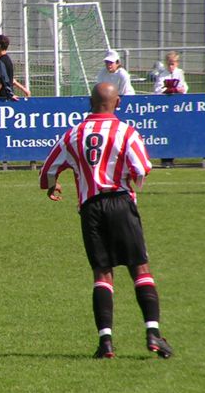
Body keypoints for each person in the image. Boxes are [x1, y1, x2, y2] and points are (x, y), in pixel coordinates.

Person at [39, 82, 173, 359]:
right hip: (122, 203)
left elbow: (47, 171)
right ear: (118, 102)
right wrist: (132, 183)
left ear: (90, 102)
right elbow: (142, 169)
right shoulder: (126, 132)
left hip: (91, 208)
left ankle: (106, 342)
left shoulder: (73, 134)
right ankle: (153, 334)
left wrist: (54, 186)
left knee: (102, 273)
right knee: (140, 269)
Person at [153, 51, 189, 168]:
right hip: (164, 107)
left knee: (175, 131)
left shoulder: (179, 73)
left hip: (176, 106)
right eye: (169, 64)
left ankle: (173, 157)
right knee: (164, 131)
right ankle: (165, 159)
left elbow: (183, 87)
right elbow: (158, 90)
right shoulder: (162, 74)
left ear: (177, 63)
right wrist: (167, 90)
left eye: (173, 64)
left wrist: (178, 90)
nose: (171, 66)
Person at [0, 34, 31, 98]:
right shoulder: (7, 59)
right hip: (9, 94)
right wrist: (24, 89)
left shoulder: (1, 61)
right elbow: (10, 78)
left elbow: (1, 80)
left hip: (2, 96)